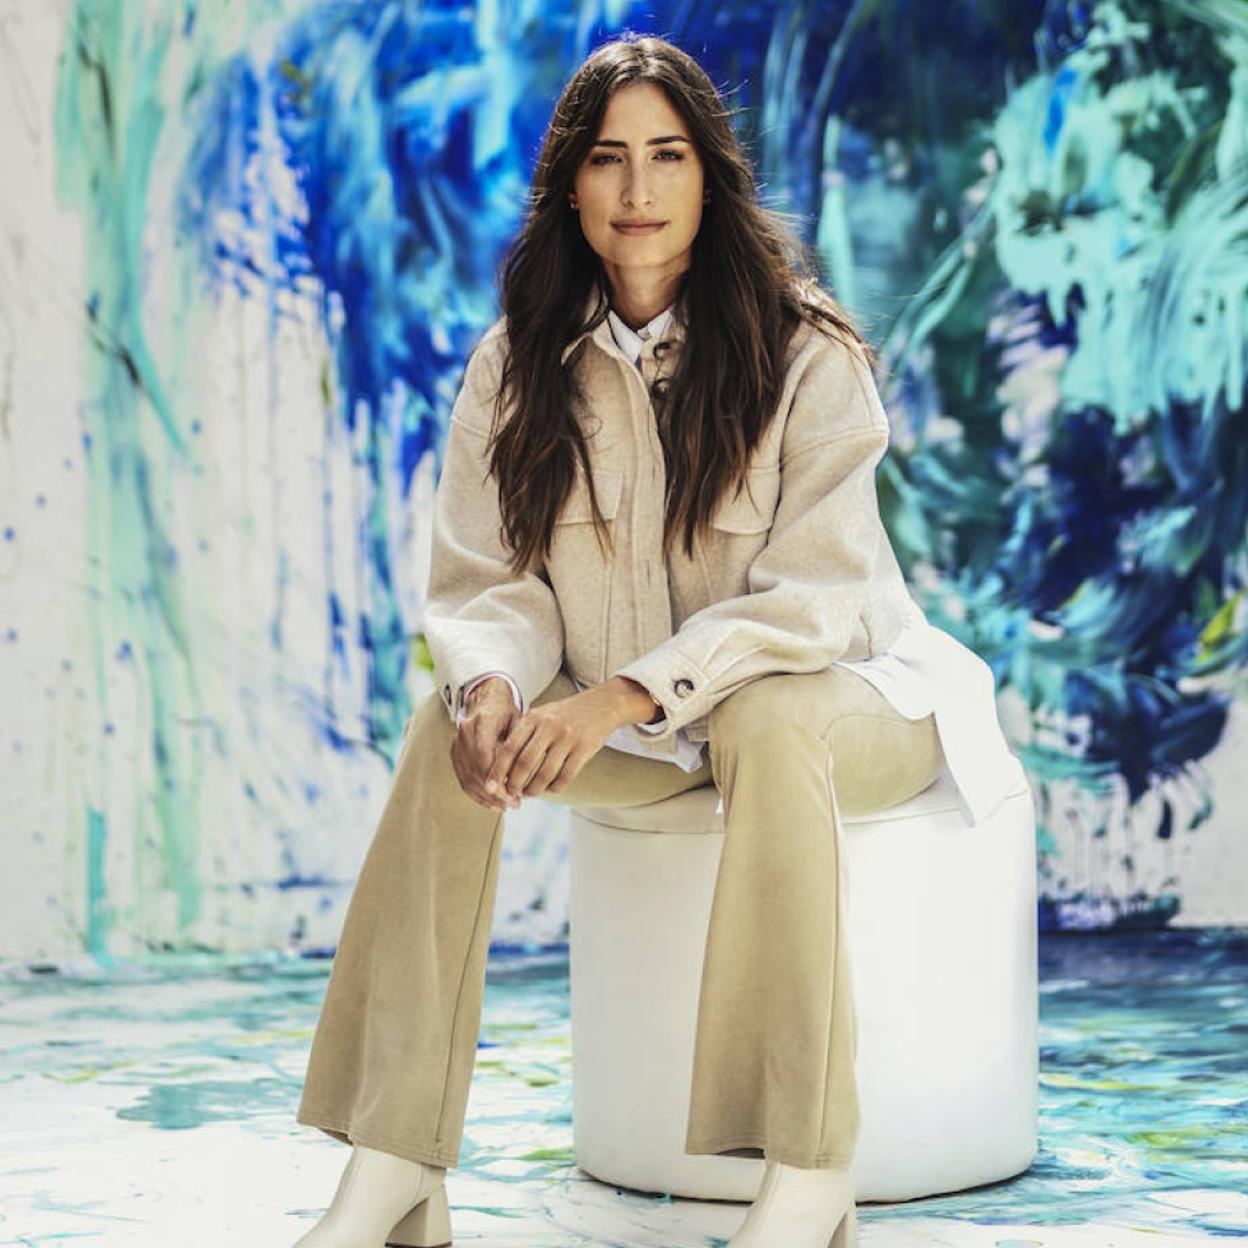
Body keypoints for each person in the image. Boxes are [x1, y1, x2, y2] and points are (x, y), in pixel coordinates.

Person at [291, 32, 1016, 1248]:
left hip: (850, 708)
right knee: (447, 738)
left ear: (709, 177)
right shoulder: (517, 365)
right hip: (658, 738)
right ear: (570, 186)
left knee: (769, 711)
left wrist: (620, 697)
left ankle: (808, 1173)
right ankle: (394, 1162)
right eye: (608, 158)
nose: (637, 189)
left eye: (668, 155)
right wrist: (491, 687)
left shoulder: (808, 354)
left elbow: (812, 604)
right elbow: (493, 581)